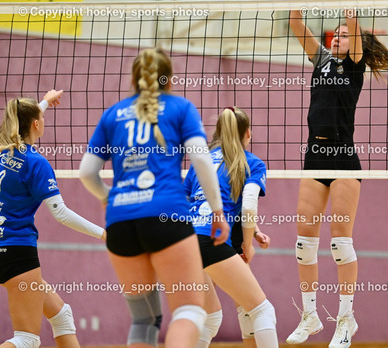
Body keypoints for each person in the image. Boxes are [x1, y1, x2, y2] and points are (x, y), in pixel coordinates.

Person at [286, 0, 388, 348]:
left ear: (355, 42)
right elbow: (295, 22)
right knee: (304, 242)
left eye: (344, 33)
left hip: (343, 157)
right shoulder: (320, 60)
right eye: (334, 33)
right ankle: (309, 316)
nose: (337, 36)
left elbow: (352, 20)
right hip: (313, 156)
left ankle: (346, 319)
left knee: (339, 243)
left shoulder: (354, 64)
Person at [78, 48, 229, 348]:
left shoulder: (112, 115)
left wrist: (109, 198)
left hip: (120, 223)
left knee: (144, 320)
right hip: (166, 216)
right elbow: (201, 160)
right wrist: (217, 211)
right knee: (189, 310)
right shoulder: (180, 108)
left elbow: (86, 173)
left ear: (133, 79)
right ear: (169, 79)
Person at [0, 90, 106, 348]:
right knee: (26, 339)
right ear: (36, 124)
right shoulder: (36, 163)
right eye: (42, 118)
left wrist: (45, 102)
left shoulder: (2, 152)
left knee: (61, 314)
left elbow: (21, 119)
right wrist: (103, 233)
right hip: (16, 252)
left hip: (6, 250)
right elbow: (61, 213)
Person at [183, 107, 278, 348]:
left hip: (184, 242)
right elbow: (248, 206)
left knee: (210, 318)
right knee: (262, 311)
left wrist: (254, 231)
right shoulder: (253, 163)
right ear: (248, 133)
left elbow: (188, 203)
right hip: (210, 239)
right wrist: (247, 245)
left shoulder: (201, 161)